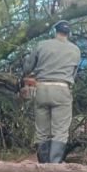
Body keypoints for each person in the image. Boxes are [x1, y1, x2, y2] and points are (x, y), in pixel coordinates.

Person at [21, 20, 81, 163]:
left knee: (41, 130)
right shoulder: (75, 49)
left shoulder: (42, 45)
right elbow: (74, 74)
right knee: (60, 131)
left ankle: (43, 166)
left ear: (54, 32)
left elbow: (27, 67)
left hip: (41, 89)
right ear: (68, 33)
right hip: (62, 89)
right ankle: (53, 167)